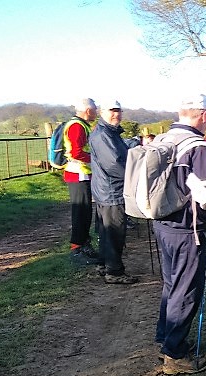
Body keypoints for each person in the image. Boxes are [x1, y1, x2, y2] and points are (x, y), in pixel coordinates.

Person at [152, 94, 206, 375]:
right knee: (186, 290)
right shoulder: (197, 146)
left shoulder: (163, 139)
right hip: (187, 229)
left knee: (171, 284)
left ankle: (166, 339)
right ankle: (174, 354)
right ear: (203, 114)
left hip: (162, 223)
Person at [89, 100, 138, 285]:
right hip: (111, 190)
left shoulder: (110, 132)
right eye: (112, 110)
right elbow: (113, 164)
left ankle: (103, 264)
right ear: (102, 112)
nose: (116, 114)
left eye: (118, 110)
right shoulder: (103, 135)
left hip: (106, 190)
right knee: (114, 232)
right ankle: (114, 272)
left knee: (106, 230)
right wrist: (134, 178)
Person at [64, 98, 99, 265]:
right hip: (77, 174)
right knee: (80, 212)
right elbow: (76, 153)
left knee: (85, 212)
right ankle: (76, 249)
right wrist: (96, 159)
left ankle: (84, 244)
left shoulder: (82, 125)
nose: (96, 112)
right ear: (88, 111)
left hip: (82, 174)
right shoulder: (77, 126)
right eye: (95, 109)